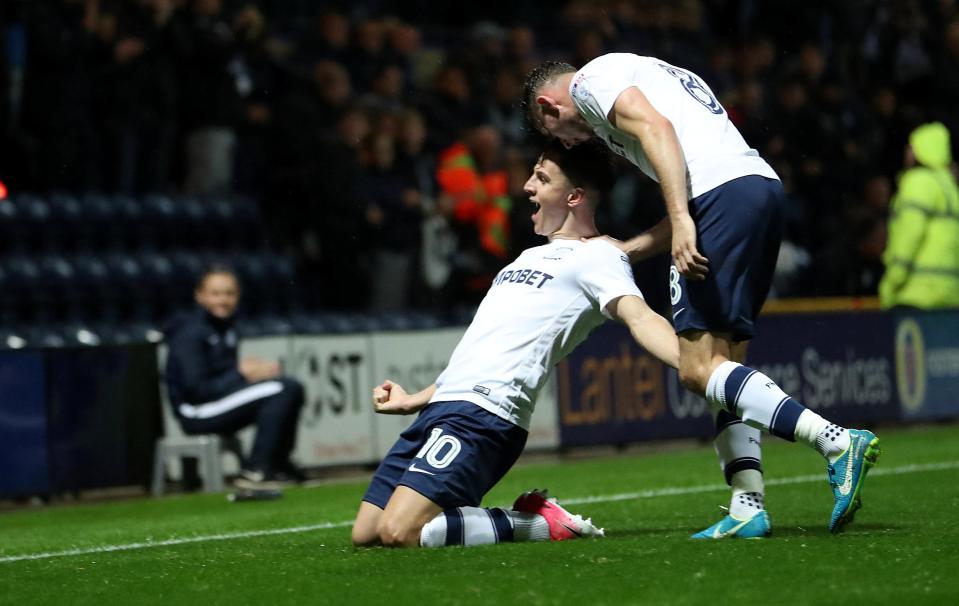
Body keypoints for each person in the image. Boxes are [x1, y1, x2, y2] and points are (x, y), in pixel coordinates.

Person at [523, 55, 881, 538]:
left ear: (549, 106)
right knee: (723, 361)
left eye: (556, 134)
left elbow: (659, 132)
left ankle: (836, 441)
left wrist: (685, 219)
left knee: (695, 368)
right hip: (756, 190)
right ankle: (746, 506)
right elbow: (689, 170)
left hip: (719, 200)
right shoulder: (651, 73)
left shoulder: (591, 84)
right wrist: (629, 249)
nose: (567, 143)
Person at [351, 141, 681, 548]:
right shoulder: (523, 258)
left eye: (541, 178)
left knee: (399, 532)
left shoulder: (598, 258)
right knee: (366, 533)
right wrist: (414, 400)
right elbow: (485, 350)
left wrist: (694, 365)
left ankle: (539, 523)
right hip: (443, 407)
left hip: (486, 414)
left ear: (574, 197)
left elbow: (641, 316)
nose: (527, 186)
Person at [164, 265, 305, 489]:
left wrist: (249, 376)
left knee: (290, 388)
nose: (223, 300)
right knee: (284, 388)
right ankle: (256, 469)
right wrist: (240, 374)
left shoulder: (226, 329)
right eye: (216, 294)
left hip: (215, 403)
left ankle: (278, 465)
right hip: (196, 412)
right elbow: (196, 391)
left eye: (229, 294)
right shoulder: (189, 333)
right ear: (200, 296)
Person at [879, 122, 959, 309]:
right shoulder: (949, 187)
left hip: (917, 293)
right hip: (950, 294)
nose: (907, 152)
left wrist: (892, 282)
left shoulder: (919, 182)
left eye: (911, 147)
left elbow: (909, 234)